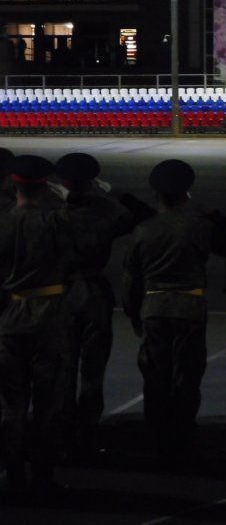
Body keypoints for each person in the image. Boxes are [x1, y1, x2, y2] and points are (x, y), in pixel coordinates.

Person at [0, 155, 100, 500]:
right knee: (48, 407)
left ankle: (14, 477)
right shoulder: (58, 222)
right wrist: (73, 193)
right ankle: (42, 478)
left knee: (12, 407)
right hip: (49, 319)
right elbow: (106, 221)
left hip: (10, 319)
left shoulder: (3, 223)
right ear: (46, 187)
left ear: (14, 185)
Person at [122, 159, 226, 466]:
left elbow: (131, 279)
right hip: (189, 308)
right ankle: (182, 438)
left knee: (155, 376)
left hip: (154, 308)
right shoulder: (199, 226)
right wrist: (215, 216)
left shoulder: (143, 230)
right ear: (186, 193)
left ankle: (157, 438)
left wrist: (133, 314)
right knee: (187, 376)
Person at [53, 153, 132, 461]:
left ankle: (63, 432)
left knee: (64, 369)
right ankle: (88, 431)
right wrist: (110, 193)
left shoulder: (53, 213)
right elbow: (140, 214)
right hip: (95, 294)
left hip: (61, 294)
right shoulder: (105, 212)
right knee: (93, 370)